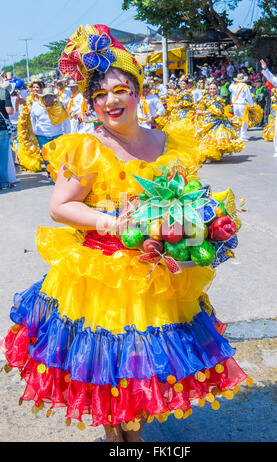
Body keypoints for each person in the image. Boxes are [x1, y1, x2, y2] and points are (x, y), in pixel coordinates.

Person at [1, 23, 250, 443]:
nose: (110, 101)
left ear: (137, 91)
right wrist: (113, 223)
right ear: (92, 104)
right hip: (103, 273)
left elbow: (189, 201)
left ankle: (128, 437)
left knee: (143, 362)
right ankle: (120, 440)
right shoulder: (85, 146)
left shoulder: (169, 144)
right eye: (99, 96)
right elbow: (60, 206)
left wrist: (205, 226)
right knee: (106, 361)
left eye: (120, 90)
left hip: (158, 271)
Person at [195, 81, 245, 162]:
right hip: (206, 121)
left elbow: (217, 110)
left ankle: (214, 154)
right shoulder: (205, 98)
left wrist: (203, 112)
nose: (212, 90)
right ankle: (208, 155)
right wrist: (199, 110)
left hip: (217, 121)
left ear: (217, 89)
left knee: (217, 138)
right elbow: (201, 106)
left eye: (214, 89)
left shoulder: (219, 99)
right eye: (211, 88)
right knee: (205, 138)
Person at [31, 87, 71, 180]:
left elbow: (66, 121)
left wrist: (67, 135)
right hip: (42, 135)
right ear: (42, 98)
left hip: (57, 134)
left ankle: (59, 173)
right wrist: (35, 131)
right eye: (46, 97)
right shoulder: (36, 106)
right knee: (46, 155)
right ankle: (50, 173)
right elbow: (32, 118)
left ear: (54, 97)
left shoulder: (59, 107)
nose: (48, 99)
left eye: (50, 96)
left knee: (58, 155)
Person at [229, 73, 254, 141]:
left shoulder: (233, 86)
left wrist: (233, 82)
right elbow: (248, 96)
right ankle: (242, 136)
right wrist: (252, 105)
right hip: (242, 105)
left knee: (237, 120)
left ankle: (237, 134)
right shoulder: (245, 86)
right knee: (244, 120)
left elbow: (229, 88)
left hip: (235, 105)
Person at [0, 81, 14, 189]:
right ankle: (3, 183)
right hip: (2, 128)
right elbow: (9, 111)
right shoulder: (3, 92)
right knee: (3, 158)